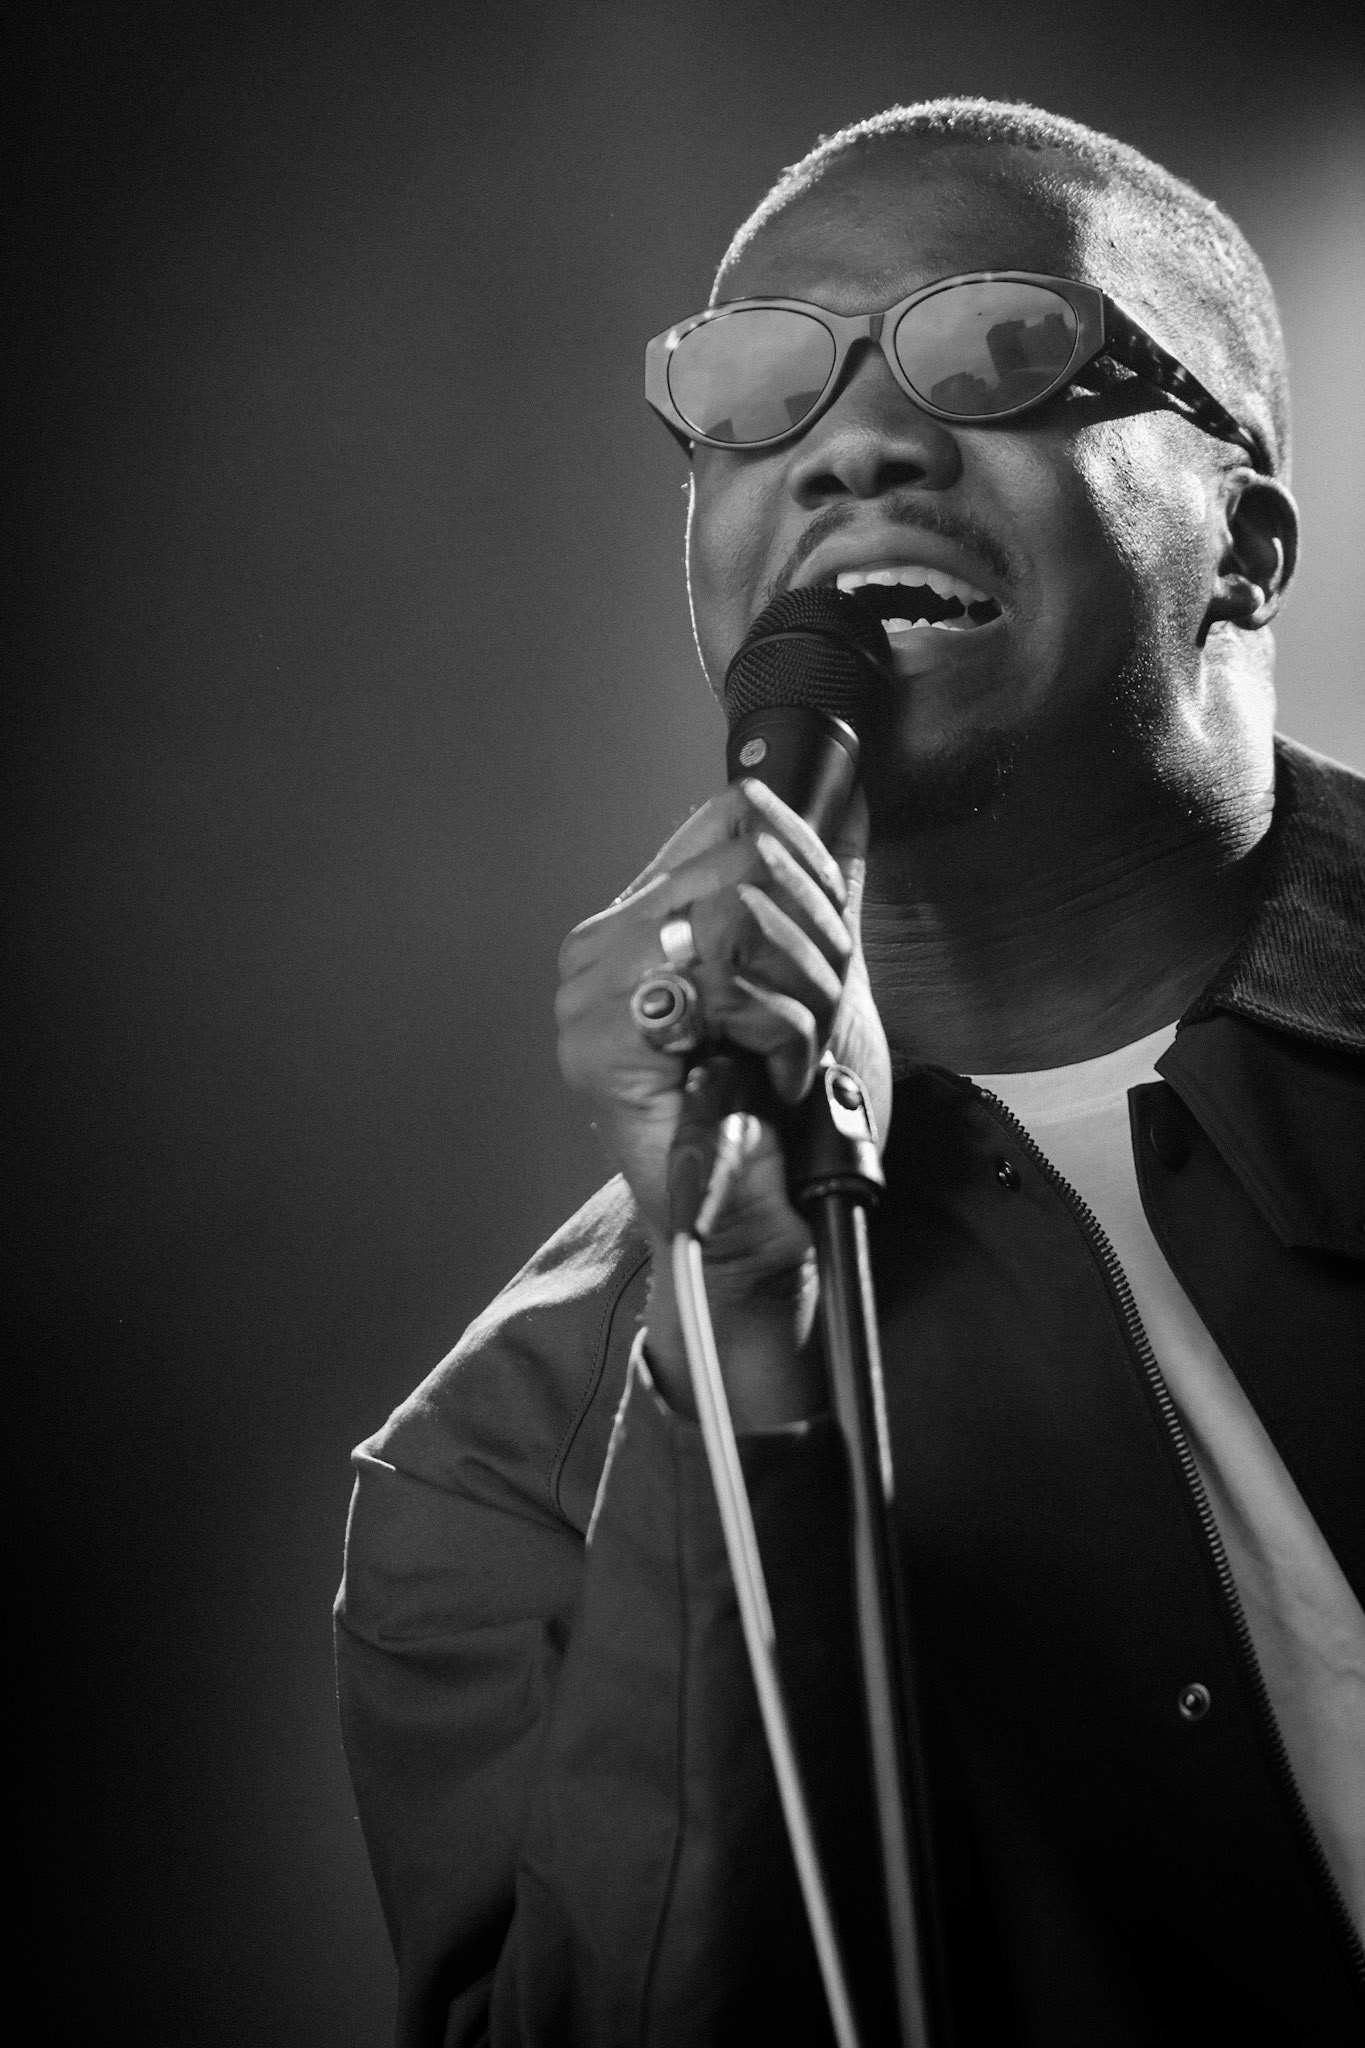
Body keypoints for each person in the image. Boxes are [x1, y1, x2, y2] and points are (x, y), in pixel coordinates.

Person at [335, 99, 1365, 2045]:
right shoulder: (509, 1457)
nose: (854, 445)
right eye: (750, 393)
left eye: (993, 352)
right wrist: (734, 1318)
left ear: (1237, 545)